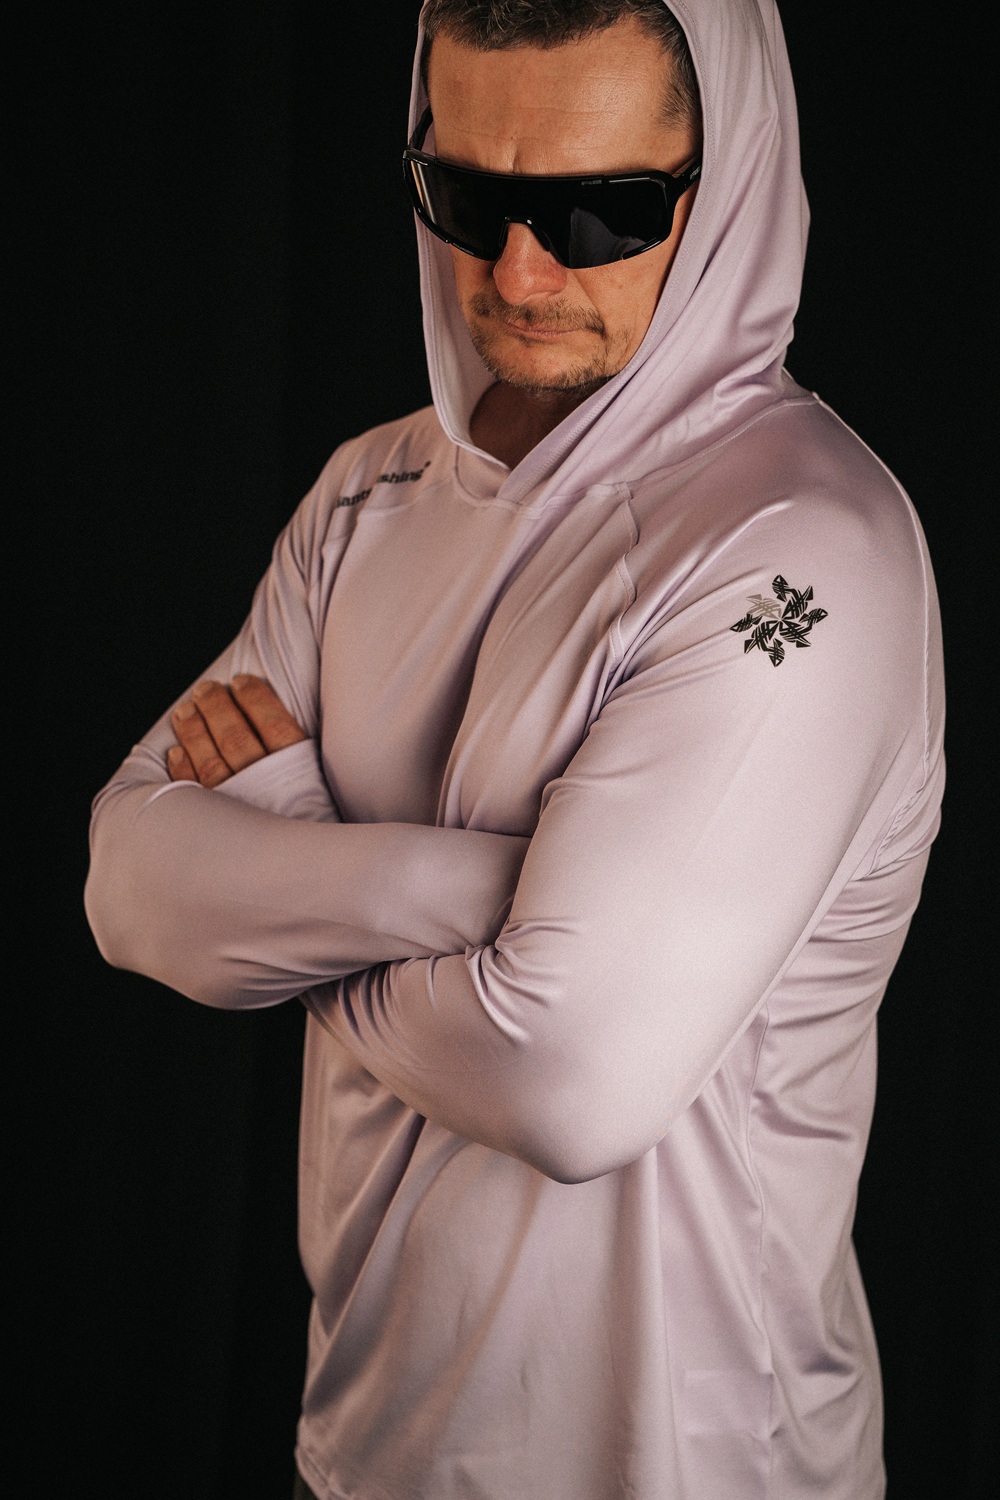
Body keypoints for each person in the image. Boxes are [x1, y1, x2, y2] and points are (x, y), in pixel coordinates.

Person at [84, 1, 944, 1496]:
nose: (521, 272)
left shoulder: (803, 552)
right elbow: (126, 886)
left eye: (601, 209)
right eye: (469, 199)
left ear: (729, 182)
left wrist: (283, 851)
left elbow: (571, 1082)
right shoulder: (364, 497)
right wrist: (496, 903)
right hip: (364, 1445)